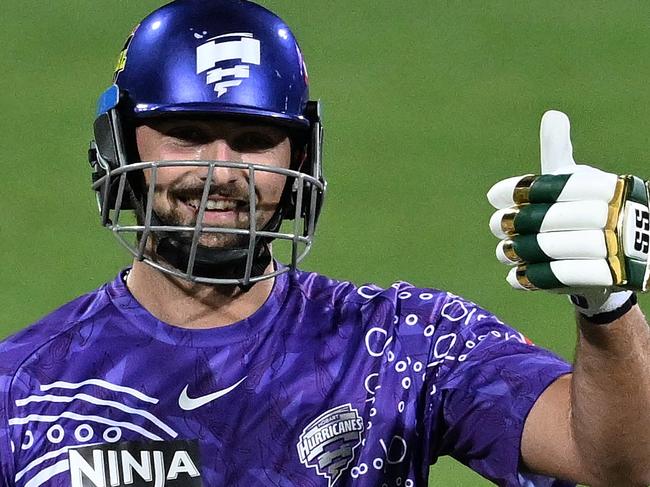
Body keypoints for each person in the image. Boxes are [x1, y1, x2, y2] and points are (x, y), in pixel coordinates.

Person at [0, 1, 648, 486]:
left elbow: (616, 463)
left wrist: (607, 310)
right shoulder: (22, 391)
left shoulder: (402, 343)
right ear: (123, 146)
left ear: (300, 155)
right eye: (188, 134)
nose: (223, 171)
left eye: (253, 139)